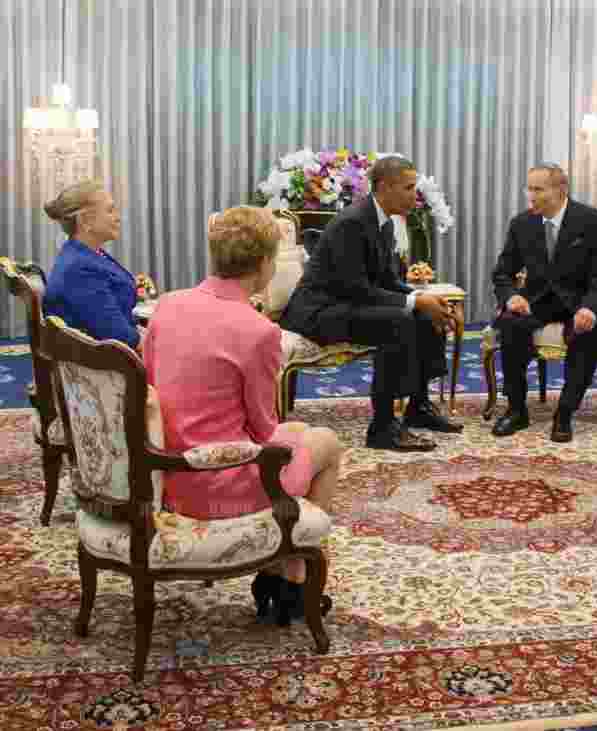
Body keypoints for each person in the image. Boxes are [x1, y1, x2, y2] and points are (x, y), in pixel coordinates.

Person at [143, 206, 343, 620]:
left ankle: (280, 571)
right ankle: (291, 574)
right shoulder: (258, 330)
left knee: (301, 429)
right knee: (326, 443)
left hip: (170, 472)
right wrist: (294, 434)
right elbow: (263, 428)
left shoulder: (168, 305)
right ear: (266, 263)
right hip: (218, 481)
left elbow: (149, 386)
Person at [279, 155, 461, 451]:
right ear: (385, 187)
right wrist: (414, 301)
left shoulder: (385, 223)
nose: (415, 195)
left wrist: (422, 299)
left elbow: (387, 281)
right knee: (399, 320)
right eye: (408, 187)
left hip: (347, 303)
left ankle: (418, 406)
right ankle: (383, 428)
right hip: (318, 311)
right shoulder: (352, 222)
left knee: (425, 315)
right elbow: (356, 288)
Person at [490, 163, 597, 442]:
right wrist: (512, 296)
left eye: (538, 189)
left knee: (588, 334)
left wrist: (589, 308)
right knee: (511, 325)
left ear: (560, 190)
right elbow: (502, 273)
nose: (530, 195)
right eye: (529, 188)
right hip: (539, 300)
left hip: (581, 300)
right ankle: (517, 410)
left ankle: (565, 413)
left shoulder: (592, 220)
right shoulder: (522, 223)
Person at [43, 180, 141, 350]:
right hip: (105, 365)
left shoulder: (84, 254)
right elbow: (121, 338)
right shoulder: (80, 269)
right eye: (110, 210)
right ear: (85, 221)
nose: (118, 218)